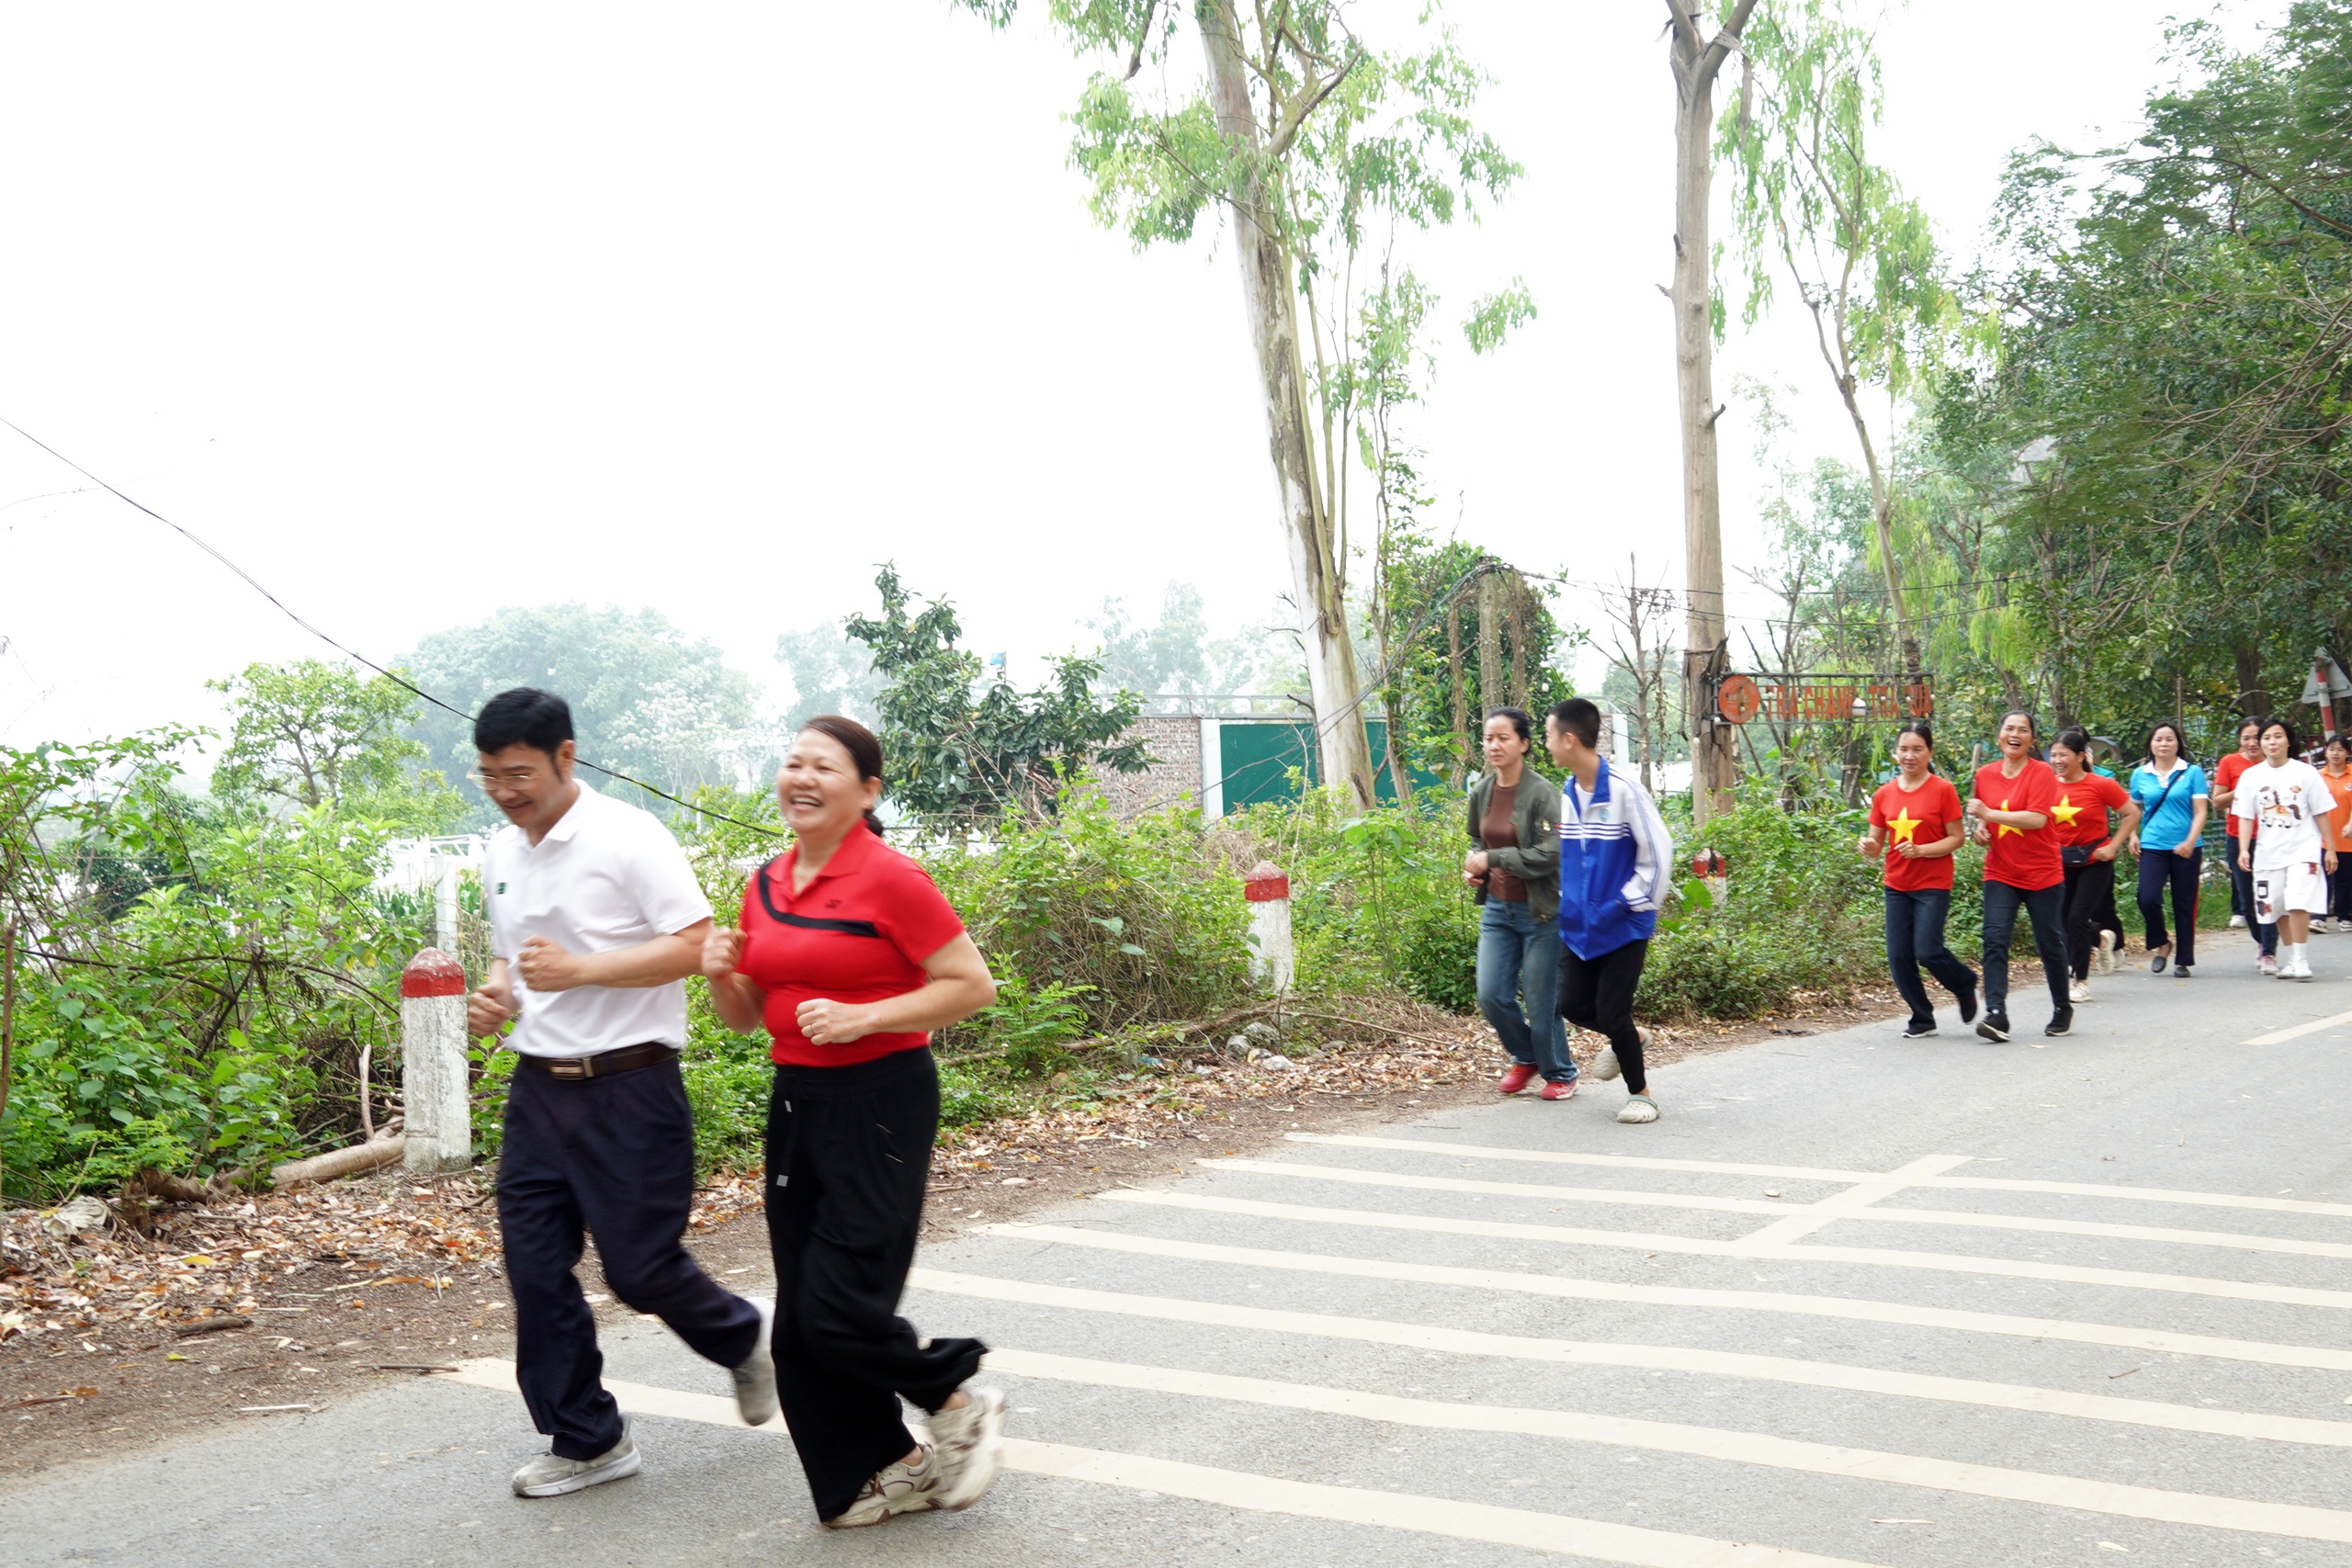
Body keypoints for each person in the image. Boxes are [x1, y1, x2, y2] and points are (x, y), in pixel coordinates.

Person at [464, 688, 773, 1499]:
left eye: (520, 772)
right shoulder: (501, 852)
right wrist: (498, 993)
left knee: (639, 1270)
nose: (505, 790)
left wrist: (580, 971)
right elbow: (511, 958)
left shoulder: (628, 836)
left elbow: (697, 943)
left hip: (631, 1083)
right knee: (534, 1269)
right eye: (490, 775)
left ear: (566, 756)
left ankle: (742, 1338)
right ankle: (588, 1437)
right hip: (539, 1090)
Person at [701, 716, 1006, 1528]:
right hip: (796, 1100)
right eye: (792, 762)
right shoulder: (764, 882)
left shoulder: (891, 878)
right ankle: (885, 1467)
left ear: (867, 790)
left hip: (881, 1101)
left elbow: (971, 984)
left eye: (824, 766)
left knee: (839, 1299)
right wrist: (721, 978)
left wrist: (868, 1018)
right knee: (802, 1319)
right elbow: (749, 1017)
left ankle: (952, 1398)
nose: (801, 776)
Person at [1544, 697, 1672, 1124]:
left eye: (1548, 736)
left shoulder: (1623, 790)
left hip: (1623, 924)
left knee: (1613, 1010)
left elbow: (1659, 856)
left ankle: (1643, 1095)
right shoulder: (1568, 793)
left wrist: (1623, 903)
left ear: (1569, 739)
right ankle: (1630, 1038)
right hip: (1580, 926)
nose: (1546, 745)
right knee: (1573, 1005)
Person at [1464, 708, 1574, 1099]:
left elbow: (1551, 854)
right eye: (1489, 738)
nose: (1494, 745)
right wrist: (1475, 864)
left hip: (1540, 912)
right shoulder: (1482, 791)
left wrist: (1494, 859)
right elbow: (1479, 840)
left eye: (1503, 738)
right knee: (1491, 995)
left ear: (1524, 744)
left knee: (1542, 1005)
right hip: (1497, 909)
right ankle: (1526, 1056)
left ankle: (1561, 1072)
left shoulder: (1543, 793)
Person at [1856, 721, 1976, 1038]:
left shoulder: (1943, 790)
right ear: (1896, 753)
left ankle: (1963, 984)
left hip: (1933, 882)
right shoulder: (1884, 794)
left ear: (1929, 752)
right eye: (1904, 749)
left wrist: (1922, 850)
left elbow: (1957, 839)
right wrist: (1868, 846)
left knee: (1927, 950)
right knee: (1898, 955)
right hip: (1897, 883)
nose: (1910, 756)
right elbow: (1876, 842)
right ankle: (1922, 1017)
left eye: (1917, 749)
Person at [1967, 709, 2072, 1041]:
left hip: (2042, 871)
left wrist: (1988, 813)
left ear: (2031, 739)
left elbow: (2038, 819)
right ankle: (1997, 1014)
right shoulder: (1985, 774)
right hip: (2001, 870)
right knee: (1995, 939)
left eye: (2023, 730)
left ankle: (2062, 1006)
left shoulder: (2042, 772)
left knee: (2049, 943)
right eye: (2009, 728)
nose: (2015, 734)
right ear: (1999, 735)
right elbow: (1983, 819)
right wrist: (1981, 830)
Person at [2232, 718, 2339, 981]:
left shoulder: (2305, 772)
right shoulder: (2251, 776)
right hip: (2268, 853)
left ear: (2287, 741)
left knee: (2298, 901)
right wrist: (2244, 850)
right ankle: (2291, 958)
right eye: (2267, 738)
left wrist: (2330, 848)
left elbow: (2321, 812)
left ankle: (2301, 960)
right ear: (2261, 743)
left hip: (2304, 849)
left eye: (2278, 736)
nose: (2272, 742)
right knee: (2276, 906)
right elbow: (2245, 817)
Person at [2049, 728, 2140, 1003]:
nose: (2057, 761)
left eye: (2063, 755)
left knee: (2077, 917)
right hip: (2060, 861)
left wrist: (2113, 846)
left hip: (2095, 860)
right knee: (2064, 921)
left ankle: (2081, 982)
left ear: (2080, 756)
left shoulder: (2101, 785)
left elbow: (2132, 813)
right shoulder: (2047, 785)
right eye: (2053, 755)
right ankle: (2102, 941)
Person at [2126, 720, 2209, 977]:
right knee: (2147, 897)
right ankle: (2162, 943)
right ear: (2151, 744)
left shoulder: (2192, 772)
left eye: (2169, 739)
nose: (2164, 744)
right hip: (2152, 844)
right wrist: (2131, 836)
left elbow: (2201, 811)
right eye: (2159, 739)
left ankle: (2183, 961)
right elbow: (2132, 810)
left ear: (2178, 743)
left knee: (2184, 904)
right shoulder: (2141, 774)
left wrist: (2189, 841)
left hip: (2187, 846)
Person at [2211, 717, 2277, 965]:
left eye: (2256, 737)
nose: (2252, 743)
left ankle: (2270, 951)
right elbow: (2216, 801)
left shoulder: (2276, 764)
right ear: (2239, 740)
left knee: (2268, 895)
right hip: (2239, 838)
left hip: (2273, 837)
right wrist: (2244, 789)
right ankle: (2261, 940)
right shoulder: (2230, 762)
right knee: (2247, 898)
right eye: (2246, 738)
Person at [2318, 735, 2352, 933]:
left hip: (2347, 838)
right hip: (2322, 838)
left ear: (2347, 753)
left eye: (2340, 749)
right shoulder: (2317, 776)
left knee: (2345, 879)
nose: (2335, 753)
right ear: (2325, 752)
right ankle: (2318, 917)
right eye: (2331, 749)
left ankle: (2345, 915)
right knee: (2322, 877)